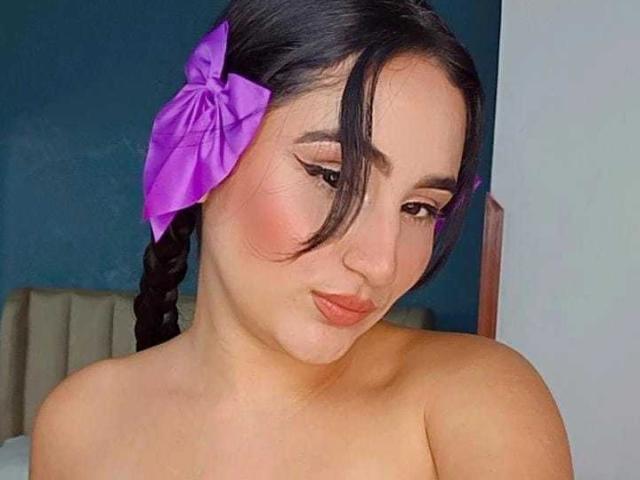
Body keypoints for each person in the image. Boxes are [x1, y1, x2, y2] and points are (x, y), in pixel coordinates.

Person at [29, 1, 574, 478]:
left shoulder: (474, 401)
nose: (381, 263)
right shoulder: (79, 424)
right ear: (204, 153)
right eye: (332, 177)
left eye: (419, 207)